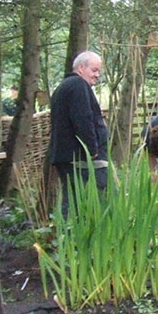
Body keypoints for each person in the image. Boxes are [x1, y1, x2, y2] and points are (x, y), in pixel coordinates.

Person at [47, 51, 109, 216]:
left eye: (98, 72)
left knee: (72, 198)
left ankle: (67, 237)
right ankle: (71, 236)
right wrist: (92, 149)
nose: (97, 75)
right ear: (81, 68)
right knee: (87, 199)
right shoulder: (77, 85)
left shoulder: (65, 86)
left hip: (67, 156)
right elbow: (83, 119)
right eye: (94, 70)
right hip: (78, 159)